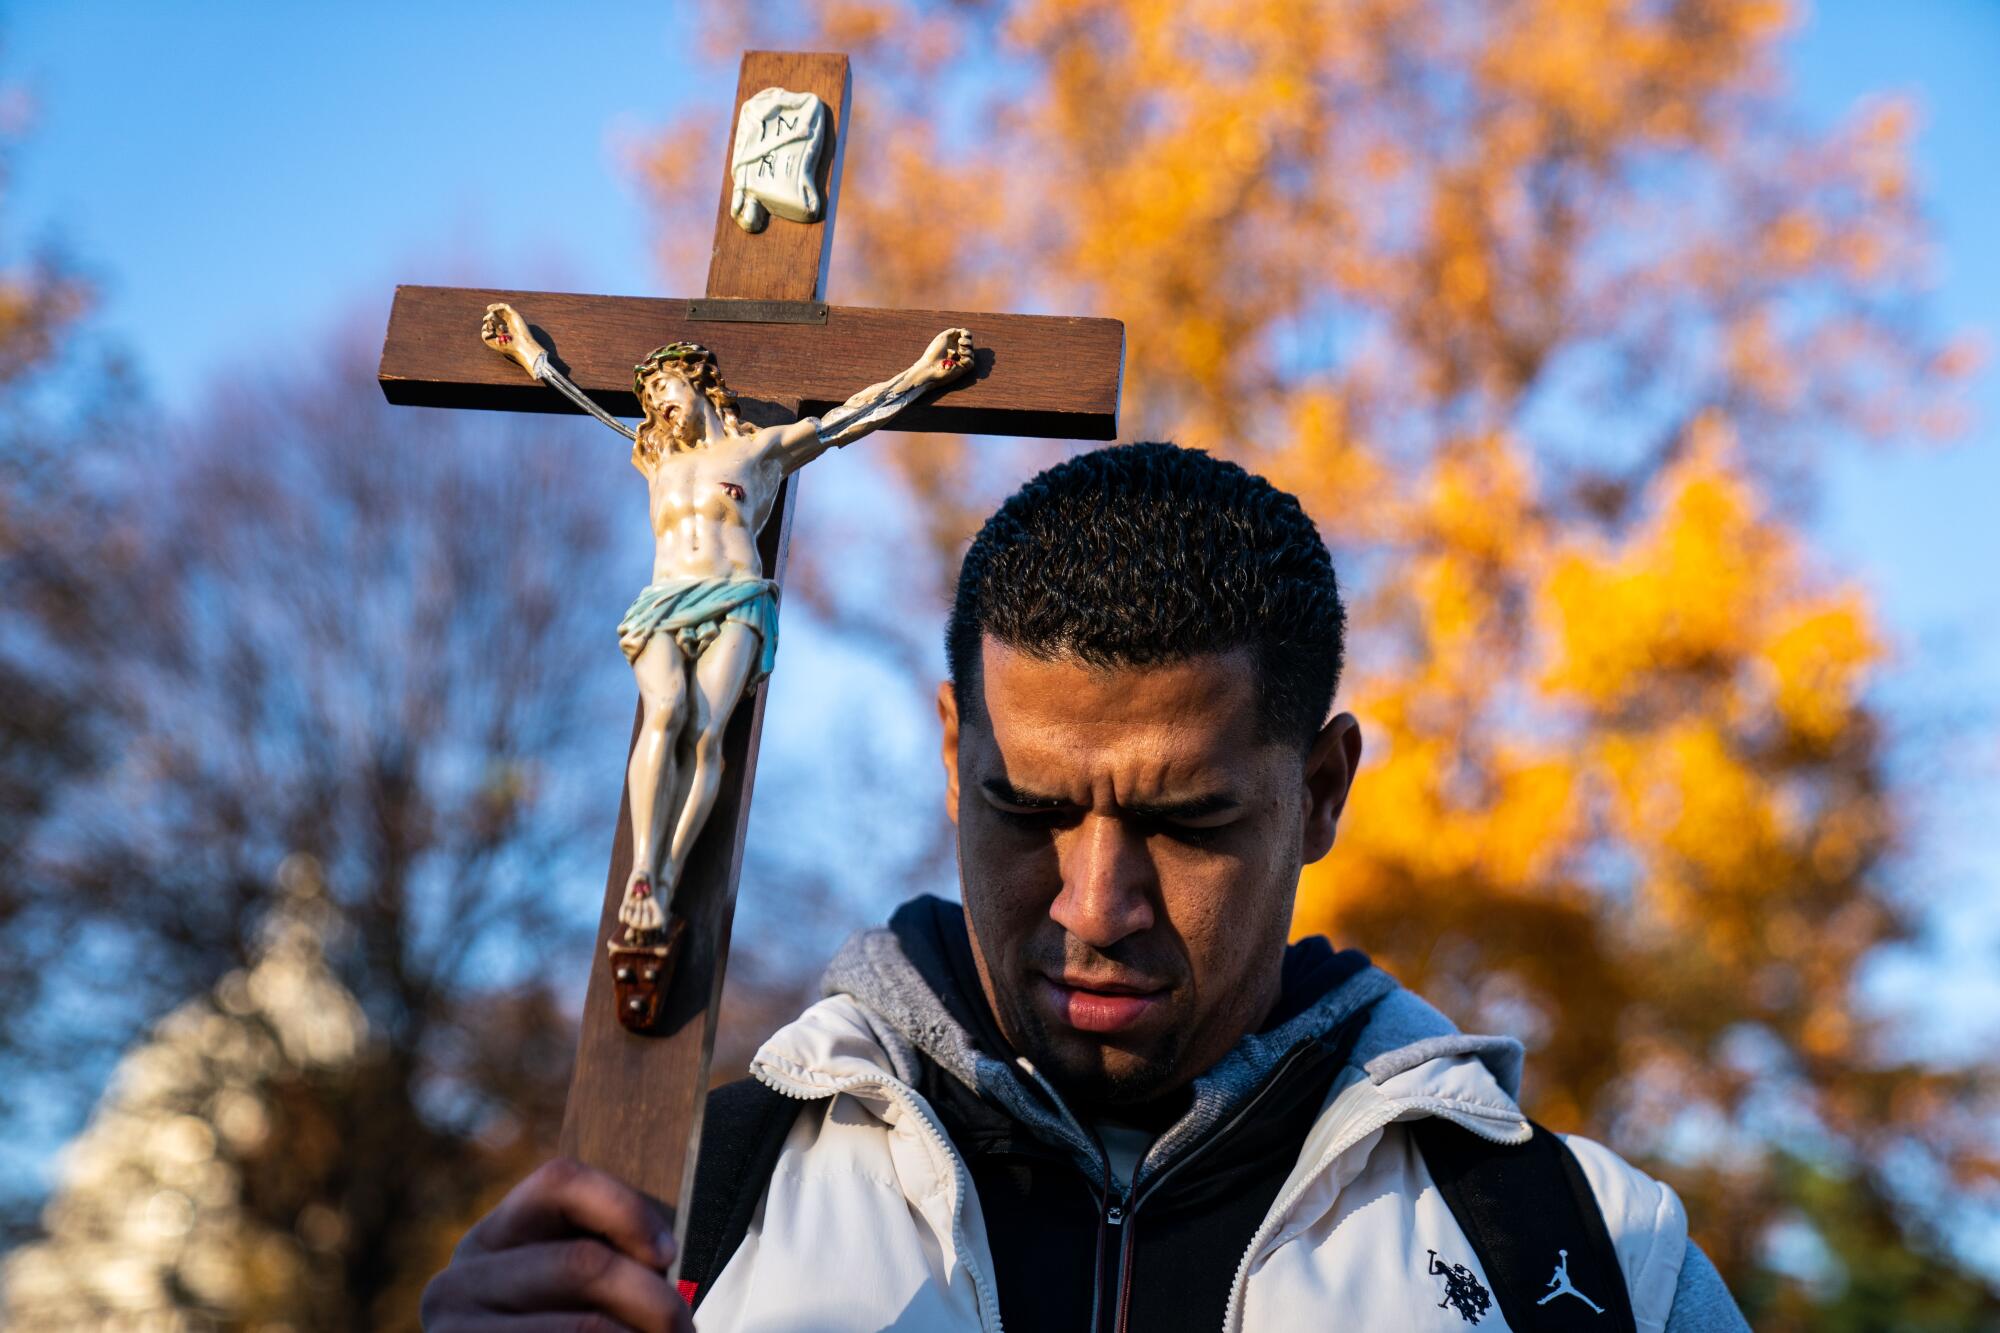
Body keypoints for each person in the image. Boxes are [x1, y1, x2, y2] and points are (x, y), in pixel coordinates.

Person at [421, 443, 1751, 1331]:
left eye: (1186, 821)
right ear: (955, 753)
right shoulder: (687, 1211)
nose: (1094, 909)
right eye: (1032, 807)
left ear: (1325, 790)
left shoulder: (1584, 1257)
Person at [480, 303, 972, 946]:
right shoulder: (652, 456)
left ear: (699, 383)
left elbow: (848, 418)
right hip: (663, 602)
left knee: (706, 734)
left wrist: (923, 372)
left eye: (666, 387)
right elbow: (572, 394)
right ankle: (643, 870)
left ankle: (667, 876)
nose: (658, 403)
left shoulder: (758, 452)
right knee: (665, 713)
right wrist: (522, 350)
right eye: (650, 396)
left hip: (736, 598)